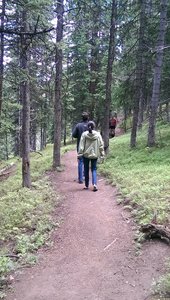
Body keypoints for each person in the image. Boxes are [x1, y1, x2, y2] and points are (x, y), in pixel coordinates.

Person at [78, 121, 104, 192]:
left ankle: (86, 185)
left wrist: (80, 154)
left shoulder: (84, 134)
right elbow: (101, 145)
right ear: (94, 127)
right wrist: (102, 154)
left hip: (86, 155)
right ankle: (95, 184)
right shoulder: (98, 135)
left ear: (87, 127)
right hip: (95, 154)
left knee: (86, 169)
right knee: (94, 169)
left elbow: (81, 145)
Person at [72, 112, 89, 183]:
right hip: (88, 146)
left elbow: (74, 135)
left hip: (80, 146)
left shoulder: (78, 125)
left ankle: (80, 179)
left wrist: (79, 135)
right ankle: (85, 176)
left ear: (82, 117)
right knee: (87, 161)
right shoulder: (90, 124)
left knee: (80, 162)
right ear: (87, 117)